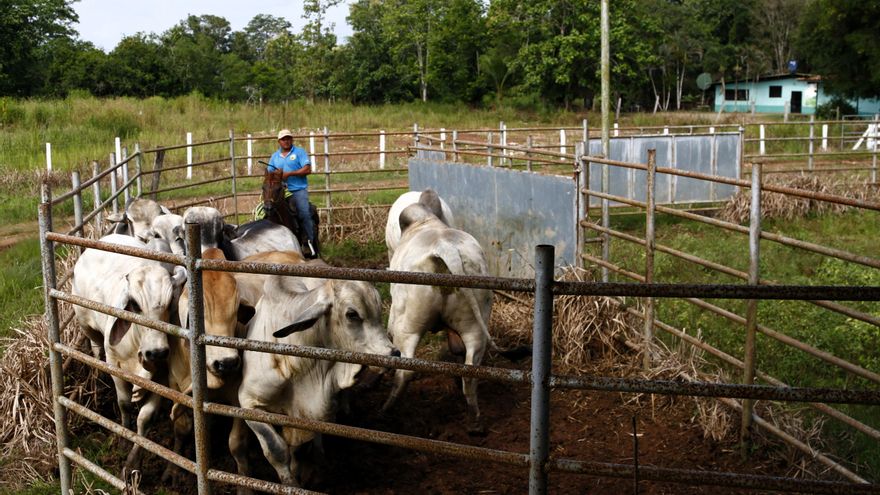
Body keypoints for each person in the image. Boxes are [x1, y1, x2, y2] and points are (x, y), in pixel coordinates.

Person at [267, 129, 317, 257]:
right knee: (265, 211)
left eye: (288, 138)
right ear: (279, 141)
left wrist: (289, 174)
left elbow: (307, 169)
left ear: (292, 139)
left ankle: (308, 242)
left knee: (304, 213)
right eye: (283, 139)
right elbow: (269, 174)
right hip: (280, 191)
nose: (286, 141)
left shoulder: (299, 152)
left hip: (298, 190)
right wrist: (276, 175)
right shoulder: (274, 157)